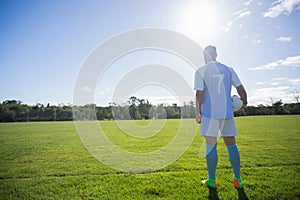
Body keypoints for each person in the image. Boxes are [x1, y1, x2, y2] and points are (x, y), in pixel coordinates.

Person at [194, 45, 247, 189]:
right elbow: (241, 89)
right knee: (232, 145)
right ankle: (238, 179)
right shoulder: (228, 69)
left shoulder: (201, 71)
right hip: (227, 113)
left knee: (211, 146)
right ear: (216, 55)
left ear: (205, 56)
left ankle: (212, 180)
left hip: (210, 115)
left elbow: (199, 94)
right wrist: (244, 103)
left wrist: (198, 113)